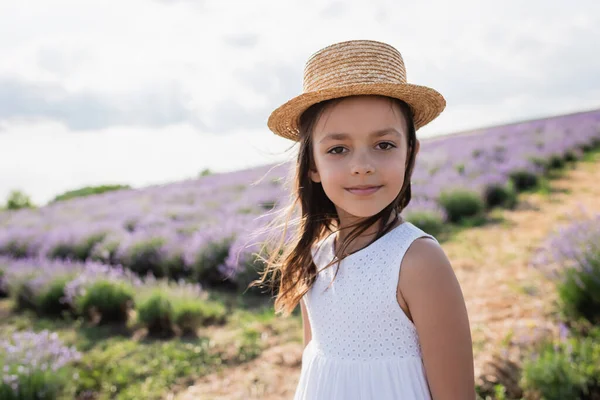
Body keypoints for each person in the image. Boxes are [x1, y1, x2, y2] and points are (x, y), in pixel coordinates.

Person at [251, 39, 475, 399]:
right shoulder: (316, 257)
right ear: (312, 165)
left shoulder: (417, 262)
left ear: (410, 155)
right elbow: (317, 368)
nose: (362, 166)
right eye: (338, 149)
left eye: (384, 145)